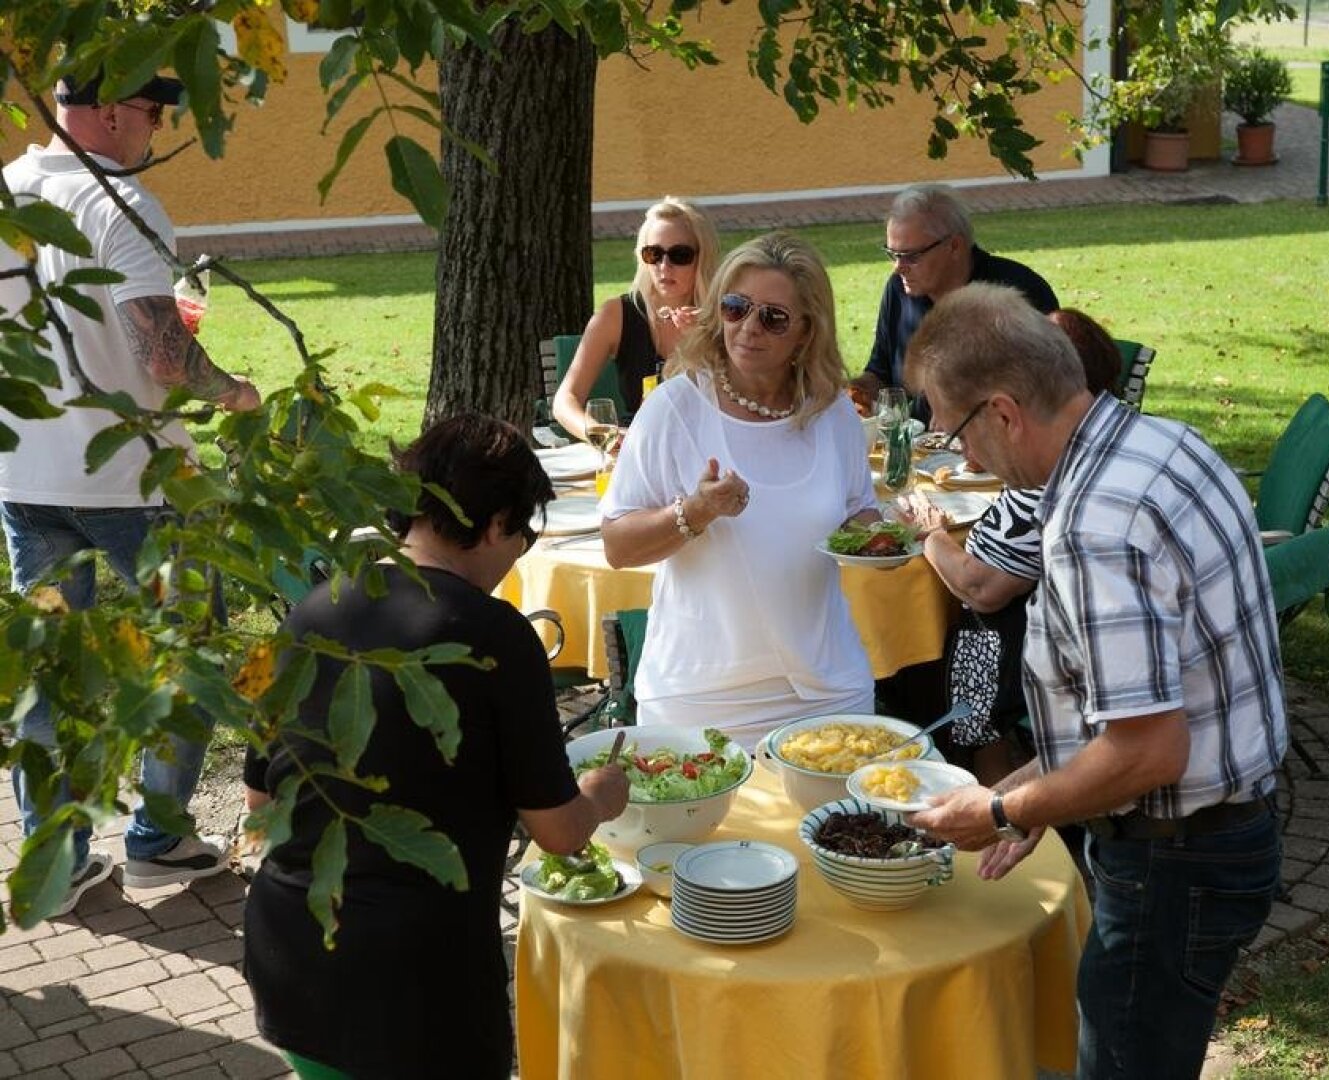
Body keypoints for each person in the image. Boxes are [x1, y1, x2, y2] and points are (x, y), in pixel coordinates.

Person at [907, 284, 1287, 1079]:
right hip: (1214, 839)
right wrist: (1031, 790)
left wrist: (1006, 807)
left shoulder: (1094, 528)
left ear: (1004, 411)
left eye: (955, 432)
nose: (962, 458)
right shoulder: (1164, 442)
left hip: (1171, 864)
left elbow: (1150, 753)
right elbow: (1148, 699)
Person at [243, 414, 630, 1080]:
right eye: (524, 534)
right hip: (417, 981)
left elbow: (259, 798)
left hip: (292, 951)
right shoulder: (494, 636)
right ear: (495, 522)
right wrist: (599, 796)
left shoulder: (311, 611)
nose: (519, 555)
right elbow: (560, 833)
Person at [1, 72, 262, 916]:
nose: (156, 129)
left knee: (51, 673)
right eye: (153, 113)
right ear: (109, 112)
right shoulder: (122, 202)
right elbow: (163, 360)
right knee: (187, 656)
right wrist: (233, 390)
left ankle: (58, 858)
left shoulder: (8, 191)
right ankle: (157, 839)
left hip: (21, 476)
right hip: (136, 478)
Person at [600, 231, 879, 749]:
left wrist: (882, 535)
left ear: (805, 332)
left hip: (828, 691)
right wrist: (694, 512)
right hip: (702, 699)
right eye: (735, 307)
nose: (748, 328)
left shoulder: (832, 412)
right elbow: (617, 545)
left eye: (772, 317)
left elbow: (858, 511)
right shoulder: (674, 410)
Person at [918, 308, 1123, 785]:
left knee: (953, 657)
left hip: (1003, 640)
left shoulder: (1058, 483)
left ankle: (989, 782)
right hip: (1003, 631)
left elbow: (983, 588)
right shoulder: (1060, 456)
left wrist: (930, 536)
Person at [850, 182, 1058, 425]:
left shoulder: (1018, 292)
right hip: (925, 452)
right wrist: (853, 392)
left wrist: (963, 413)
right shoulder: (899, 289)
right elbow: (880, 373)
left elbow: (1044, 393)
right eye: (892, 254)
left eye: (911, 256)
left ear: (955, 246)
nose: (898, 267)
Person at [551, 197, 719, 439]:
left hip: (709, 447)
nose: (664, 266)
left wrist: (708, 342)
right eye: (654, 254)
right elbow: (565, 400)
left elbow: (751, 398)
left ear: (703, 257)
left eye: (680, 255)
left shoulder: (729, 315)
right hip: (638, 446)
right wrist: (603, 434)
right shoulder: (616, 315)